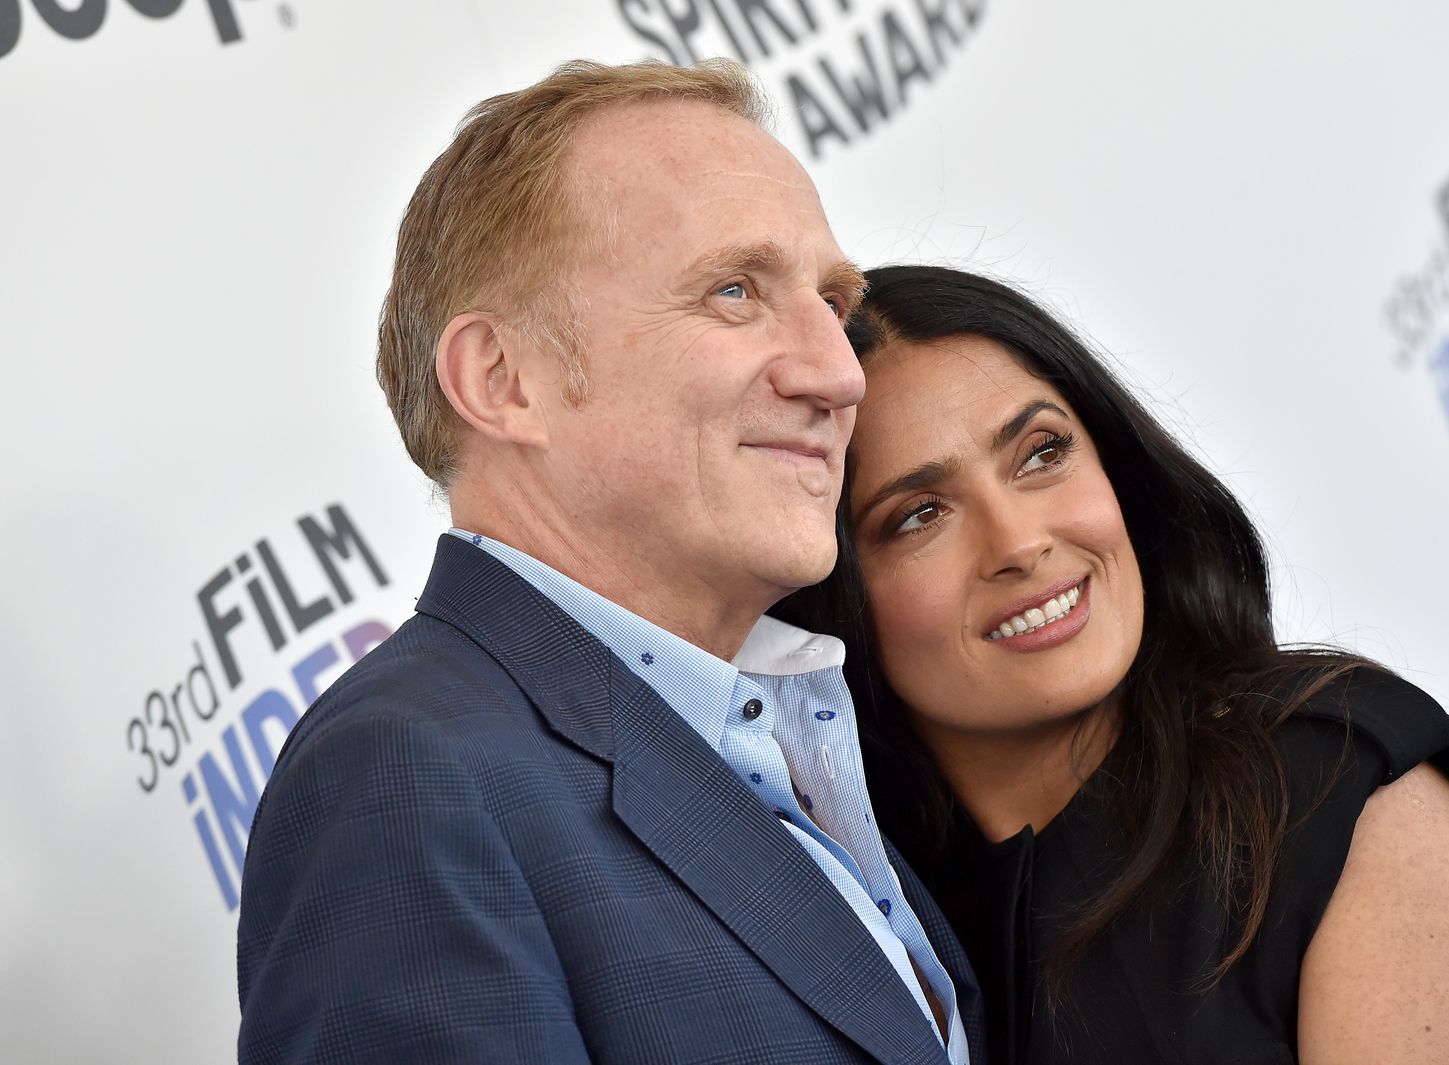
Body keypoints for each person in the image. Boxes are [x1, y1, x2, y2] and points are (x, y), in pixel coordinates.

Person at [236, 64, 983, 1065]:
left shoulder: (771, 731)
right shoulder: (407, 780)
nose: (839, 372)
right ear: (505, 381)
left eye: (833, 303)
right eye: (734, 291)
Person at [772, 264, 1449, 1065]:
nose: (1021, 541)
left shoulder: (1333, 793)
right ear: (831, 591)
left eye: (1041, 453)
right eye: (919, 514)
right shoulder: (861, 929)